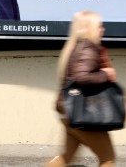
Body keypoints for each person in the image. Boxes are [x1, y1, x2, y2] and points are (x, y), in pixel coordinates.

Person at [46, 11, 117, 167]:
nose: (102, 29)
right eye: (99, 26)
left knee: (66, 157)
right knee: (108, 157)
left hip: (69, 112)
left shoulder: (75, 47)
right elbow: (82, 77)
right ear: (90, 28)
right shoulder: (88, 48)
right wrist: (105, 74)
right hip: (83, 114)